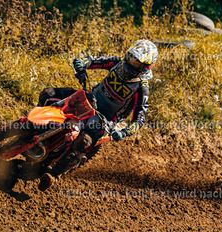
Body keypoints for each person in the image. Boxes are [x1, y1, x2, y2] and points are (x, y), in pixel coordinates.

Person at [38, 39, 158, 190]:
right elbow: (94, 60)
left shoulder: (141, 88)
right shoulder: (117, 63)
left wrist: (124, 132)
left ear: (145, 67)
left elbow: (140, 119)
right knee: (48, 94)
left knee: (84, 142)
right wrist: (82, 64)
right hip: (89, 99)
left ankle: (53, 175)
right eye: (130, 57)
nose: (130, 62)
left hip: (104, 119)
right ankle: (35, 126)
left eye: (135, 62)